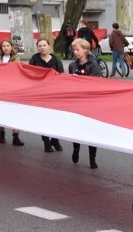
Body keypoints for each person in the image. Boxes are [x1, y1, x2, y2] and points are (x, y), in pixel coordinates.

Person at [68, 38, 102, 169]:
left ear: (86, 50)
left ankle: (92, 158)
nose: (75, 52)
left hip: (91, 104)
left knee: (91, 131)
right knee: (76, 129)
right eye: (74, 49)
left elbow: (98, 84)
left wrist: (82, 80)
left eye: (77, 49)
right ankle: (76, 148)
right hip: (77, 103)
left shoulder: (94, 65)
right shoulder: (72, 65)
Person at [29, 38, 65, 152]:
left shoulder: (56, 60)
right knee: (42, 119)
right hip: (39, 94)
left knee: (54, 118)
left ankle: (55, 139)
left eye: (44, 45)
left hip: (54, 94)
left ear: (49, 46)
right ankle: (46, 142)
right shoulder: (34, 59)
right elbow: (30, 74)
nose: (42, 47)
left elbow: (61, 76)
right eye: (40, 46)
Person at [0, 40, 25, 146]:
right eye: (4, 46)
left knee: (14, 111)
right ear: (1, 48)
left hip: (13, 88)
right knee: (1, 111)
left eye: (8, 46)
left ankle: (15, 136)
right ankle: (2, 133)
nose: (6, 48)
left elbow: (17, 72)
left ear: (11, 47)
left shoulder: (16, 58)